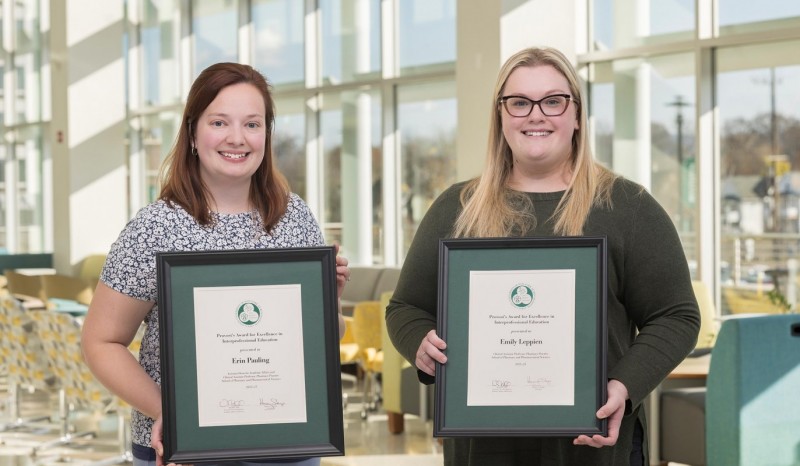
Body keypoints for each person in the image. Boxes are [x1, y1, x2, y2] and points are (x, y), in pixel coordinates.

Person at [385, 46, 700, 465]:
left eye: (553, 101)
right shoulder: (456, 207)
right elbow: (406, 307)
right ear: (500, 116)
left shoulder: (628, 207)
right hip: (482, 448)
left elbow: (676, 315)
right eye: (519, 102)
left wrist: (624, 385)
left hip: (591, 447)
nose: (536, 114)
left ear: (576, 115)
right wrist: (420, 343)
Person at [81, 62, 350, 466]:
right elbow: (100, 341)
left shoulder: (294, 218)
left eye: (253, 124)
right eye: (219, 122)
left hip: (287, 444)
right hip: (181, 449)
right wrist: (166, 413)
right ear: (192, 132)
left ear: (267, 134)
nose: (237, 138)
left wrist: (327, 302)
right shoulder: (154, 227)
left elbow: (324, 340)